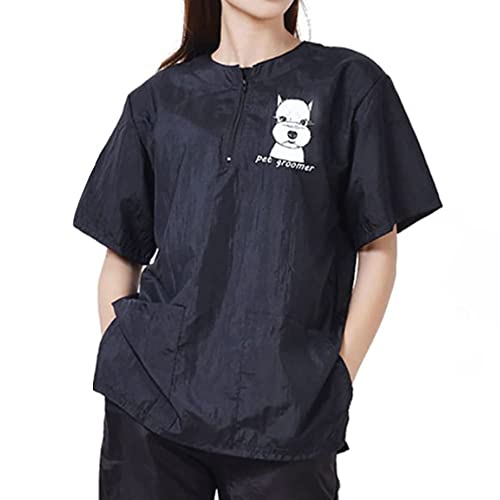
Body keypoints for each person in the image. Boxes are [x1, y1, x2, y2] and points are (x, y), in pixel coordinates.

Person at [72, 1, 443, 498]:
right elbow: (122, 251)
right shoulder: (159, 100)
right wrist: (128, 360)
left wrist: (336, 376)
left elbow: (378, 247)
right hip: (151, 410)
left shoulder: (349, 84)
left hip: (290, 413)